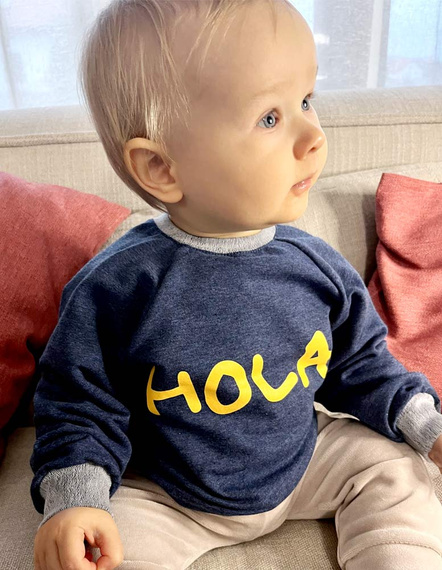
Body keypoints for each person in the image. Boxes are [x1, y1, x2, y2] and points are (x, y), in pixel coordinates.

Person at [30, 1, 442, 569]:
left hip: (303, 462)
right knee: (106, 547)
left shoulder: (317, 266)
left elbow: (363, 366)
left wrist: (427, 427)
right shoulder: (118, 287)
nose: (313, 135)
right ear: (161, 168)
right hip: (169, 492)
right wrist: (74, 501)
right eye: (270, 118)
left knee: (395, 467)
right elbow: (77, 402)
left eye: (306, 101)